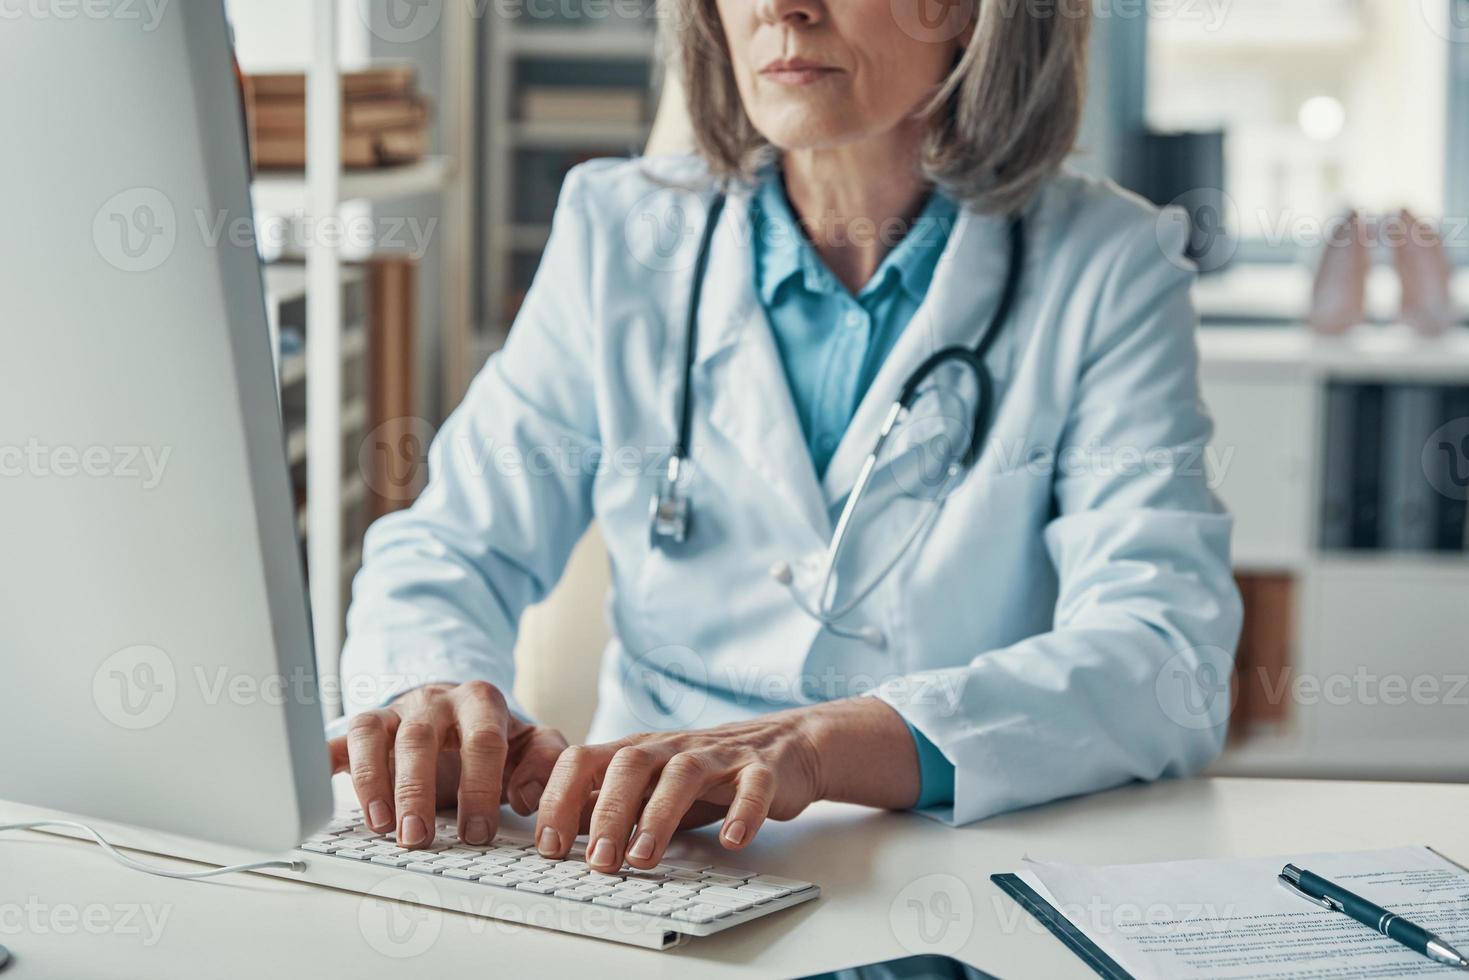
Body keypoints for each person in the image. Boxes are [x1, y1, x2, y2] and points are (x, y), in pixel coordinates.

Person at [328, 0, 1242, 878]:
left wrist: (813, 747)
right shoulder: (620, 230)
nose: (782, 6)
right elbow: (451, 545)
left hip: (936, 860)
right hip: (644, 859)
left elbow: (1164, 655)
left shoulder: (1110, 263)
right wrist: (430, 687)